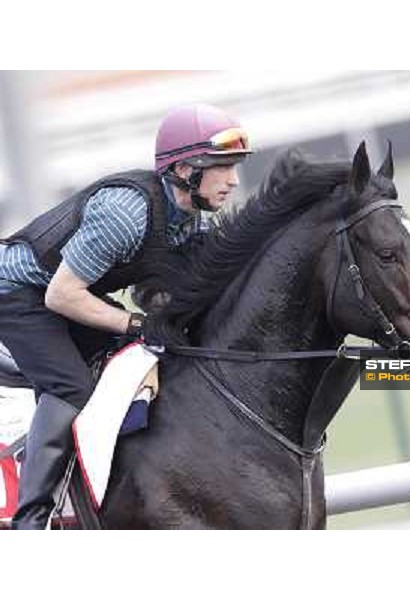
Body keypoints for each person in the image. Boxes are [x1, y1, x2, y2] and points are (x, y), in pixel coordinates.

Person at [0, 103, 252, 529]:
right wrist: (134, 323)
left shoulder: (188, 220)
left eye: (234, 168)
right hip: (19, 295)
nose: (233, 180)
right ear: (186, 169)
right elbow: (62, 297)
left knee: (134, 358)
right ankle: (32, 519)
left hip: (58, 292)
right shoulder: (125, 214)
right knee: (71, 387)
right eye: (221, 168)